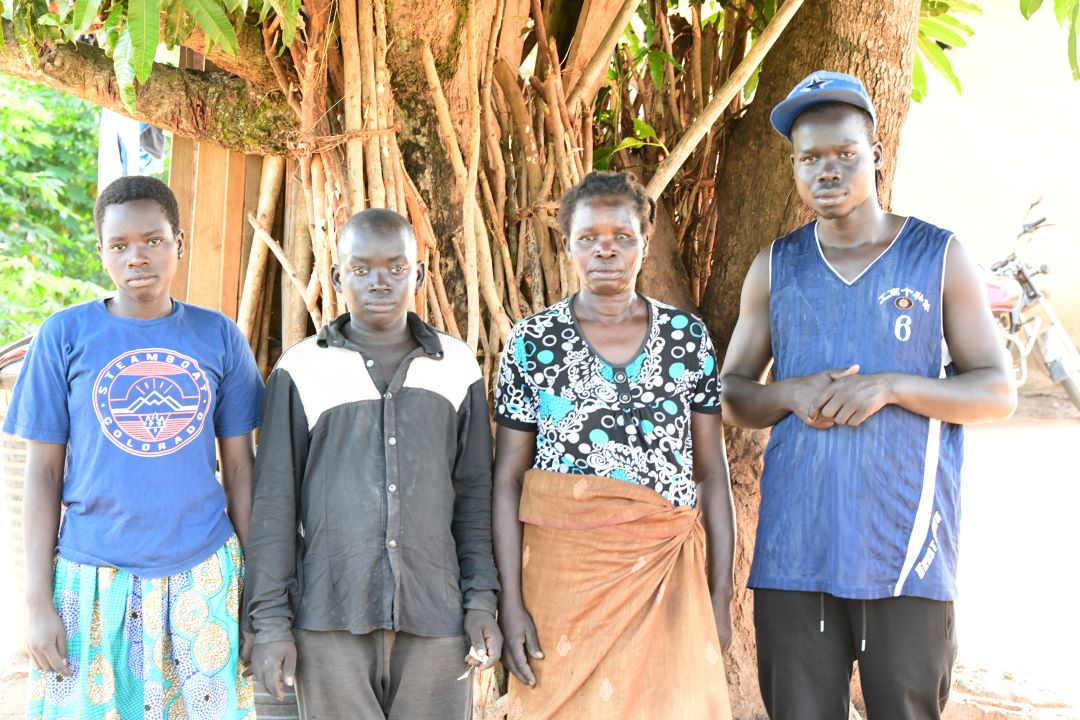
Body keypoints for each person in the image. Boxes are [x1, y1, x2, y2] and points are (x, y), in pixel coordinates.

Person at [719, 71, 1017, 719]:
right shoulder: (777, 266)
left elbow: (998, 391)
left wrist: (892, 387)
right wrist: (791, 393)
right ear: (794, 169)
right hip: (796, 553)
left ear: (875, 154)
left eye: (845, 154)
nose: (828, 171)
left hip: (907, 553)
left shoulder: (937, 257)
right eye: (809, 159)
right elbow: (735, 394)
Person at [4, 176, 264, 718]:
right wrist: (37, 601)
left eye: (153, 240)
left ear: (180, 243)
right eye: (120, 245)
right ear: (101, 252)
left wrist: (258, 591)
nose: (137, 256)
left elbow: (240, 470)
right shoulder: (64, 335)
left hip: (203, 573)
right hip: (91, 575)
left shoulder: (217, 337)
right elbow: (44, 476)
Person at [493, 171, 735, 719]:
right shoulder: (533, 343)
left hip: (666, 577)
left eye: (623, 236)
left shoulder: (687, 340)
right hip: (562, 583)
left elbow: (711, 475)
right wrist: (510, 601)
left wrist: (718, 598)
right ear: (567, 246)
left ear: (645, 243)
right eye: (588, 238)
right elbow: (508, 478)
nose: (606, 249)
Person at [245, 208, 502, 720]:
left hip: (435, 614)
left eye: (396, 267)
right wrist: (270, 622)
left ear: (420, 274)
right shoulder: (301, 369)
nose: (378, 282)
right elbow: (273, 505)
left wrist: (480, 601)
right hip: (329, 612)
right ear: (338, 277)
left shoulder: (455, 368)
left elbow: (474, 497)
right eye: (360, 270)